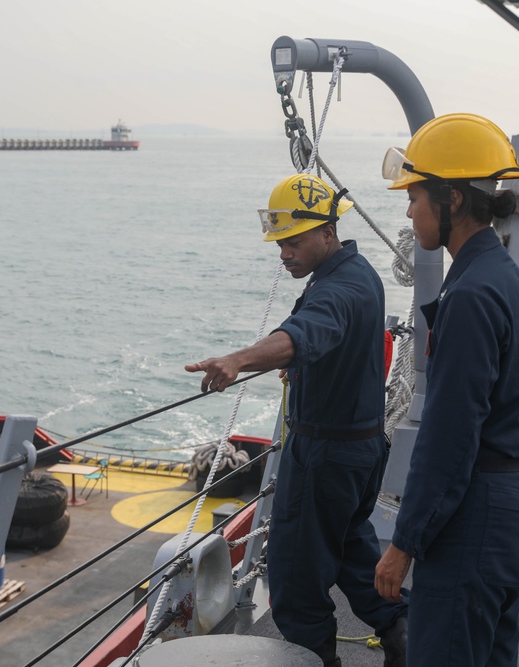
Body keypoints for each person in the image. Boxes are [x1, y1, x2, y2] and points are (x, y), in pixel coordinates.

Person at [185, 173, 408, 667]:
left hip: (326, 454)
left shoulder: (337, 291)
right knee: (352, 550)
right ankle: (402, 635)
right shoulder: (358, 274)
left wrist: (239, 360)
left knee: (294, 576)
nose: (284, 252)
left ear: (328, 232)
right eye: (281, 242)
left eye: (296, 240)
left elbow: (305, 333)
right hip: (360, 447)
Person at [373, 113, 519, 666]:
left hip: (477, 520)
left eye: (416, 196)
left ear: (451, 200)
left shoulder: (470, 295)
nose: (408, 210)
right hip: (510, 507)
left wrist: (403, 546)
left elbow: (449, 438)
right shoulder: (504, 276)